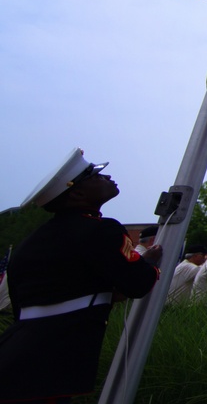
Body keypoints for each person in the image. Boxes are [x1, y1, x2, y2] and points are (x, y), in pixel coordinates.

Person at [0, 148, 161, 403]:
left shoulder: (30, 243)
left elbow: (59, 289)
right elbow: (139, 283)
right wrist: (149, 261)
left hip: (14, 353)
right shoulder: (101, 230)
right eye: (95, 176)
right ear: (77, 193)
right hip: (51, 362)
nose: (106, 177)